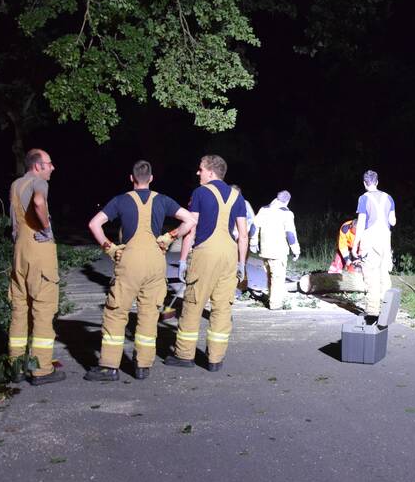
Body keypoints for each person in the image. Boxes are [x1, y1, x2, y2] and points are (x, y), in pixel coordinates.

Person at [84, 160, 196, 382]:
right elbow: (190, 220)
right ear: (151, 179)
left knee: (116, 313)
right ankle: (143, 365)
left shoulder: (120, 200)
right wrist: (170, 237)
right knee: (149, 314)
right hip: (156, 260)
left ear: (131, 178)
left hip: (130, 261)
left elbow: (94, 224)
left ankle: (109, 366)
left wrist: (110, 248)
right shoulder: (163, 200)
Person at [165, 155, 248, 371]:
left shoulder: (200, 192)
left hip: (206, 253)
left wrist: (182, 260)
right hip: (229, 254)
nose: (198, 173)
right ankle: (215, 360)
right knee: (222, 308)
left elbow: (191, 227)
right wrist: (242, 264)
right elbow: (243, 234)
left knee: (193, 304)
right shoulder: (237, 197)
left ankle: (184, 355)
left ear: (211, 172)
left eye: (200, 169)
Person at [7, 148, 65, 385]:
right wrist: (45, 228)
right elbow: (39, 202)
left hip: (20, 250)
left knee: (20, 309)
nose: (53, 168)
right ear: (38, 166)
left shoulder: (16, 184)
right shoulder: (39, 183)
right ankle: (41, 369)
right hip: (38, 251)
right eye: (49, 164)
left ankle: (16, 365)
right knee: (42, 309)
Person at [351, 169, 396, 324]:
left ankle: (372, 312)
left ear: (365, 183)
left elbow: (362, 223)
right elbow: (393, 221)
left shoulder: (364, 198)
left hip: (370, 239)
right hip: (385, 239)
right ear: (377, 182)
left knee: (371, 275)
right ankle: (387, 311)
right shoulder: (388, 197)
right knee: (384, 275)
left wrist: (355, 244)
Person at [251, 190, 300, 309]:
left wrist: (253, 242)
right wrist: (296, 250)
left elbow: (254, 227)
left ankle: (270, 298)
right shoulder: (286, 213)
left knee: (269, 275)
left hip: (265, 250)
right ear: (287, 201)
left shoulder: (264, 210)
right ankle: (275, 304)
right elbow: (290, 234)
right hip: (278, 252)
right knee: (277, 278)